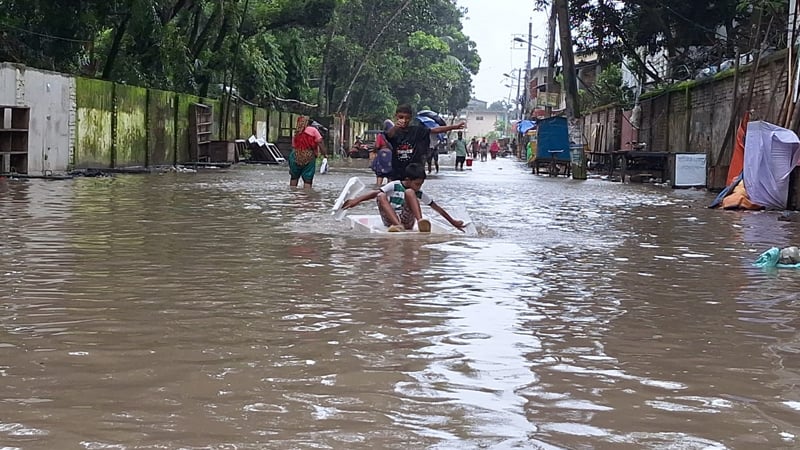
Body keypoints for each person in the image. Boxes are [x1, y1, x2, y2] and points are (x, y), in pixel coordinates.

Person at [341, 163, 465, 233]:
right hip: (392, 221)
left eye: (421, 184)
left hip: (408, 221)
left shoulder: (416, 192)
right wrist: (356, 200)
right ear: (407, 180)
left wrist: (453, 222)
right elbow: (374, 193)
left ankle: (420, 221)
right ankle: (397, 225)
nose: (419, 187)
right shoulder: (394, 185)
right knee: (380, 195)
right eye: (417, 184)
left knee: (410, 193)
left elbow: (436, 207)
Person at [386, 104, 465, 181]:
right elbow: (389, 136)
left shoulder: (416, 131)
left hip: (412, 174)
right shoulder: (393, 132)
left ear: (410, 118)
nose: (404, 120)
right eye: (401, 117)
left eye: (407, 118)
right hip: (396, 173)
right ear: (396, 116)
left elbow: (435, 130)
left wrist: (454, 127)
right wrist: (396, 127)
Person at [289, 116, 326, 188]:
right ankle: (307, 196)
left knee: (294, 177)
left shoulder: (296, 131)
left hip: (295, 156)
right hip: (309, 156)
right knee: (307, 180)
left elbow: (293, 145)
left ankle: (292, 195)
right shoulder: (313, 130)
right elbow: (320, 142)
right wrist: (324, 153)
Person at [370, 120, 394, 186]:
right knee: (390, 176)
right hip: (391, 156)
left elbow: (377, 146)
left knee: (380, 175)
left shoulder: (380, 136)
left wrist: (374, 151)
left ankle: (378, 190)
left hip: (381, 155)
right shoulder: (394, 136)